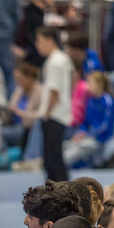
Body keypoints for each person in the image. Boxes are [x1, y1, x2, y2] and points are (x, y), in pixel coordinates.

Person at [35, 26, 73, 182]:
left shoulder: (54, 61)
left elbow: (54, 90)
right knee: (55, 159)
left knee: (52, 161)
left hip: (54, 115)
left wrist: (46, 112)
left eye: (39, 41)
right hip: (61, 114)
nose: (37, 45)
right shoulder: (63, 58)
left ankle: (58, 195)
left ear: (49, 40)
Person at [64, 72, 114, 168]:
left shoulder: (108, 100)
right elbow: (85, 123)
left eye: (90, 83)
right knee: (66, 144)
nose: (88, 86)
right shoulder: (90, 100)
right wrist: (79, 133)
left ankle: (61, 164)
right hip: (89, 137)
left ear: (100, 84)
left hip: (101, 139)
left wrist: (87, 135)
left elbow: (104, 126)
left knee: (76, 149)